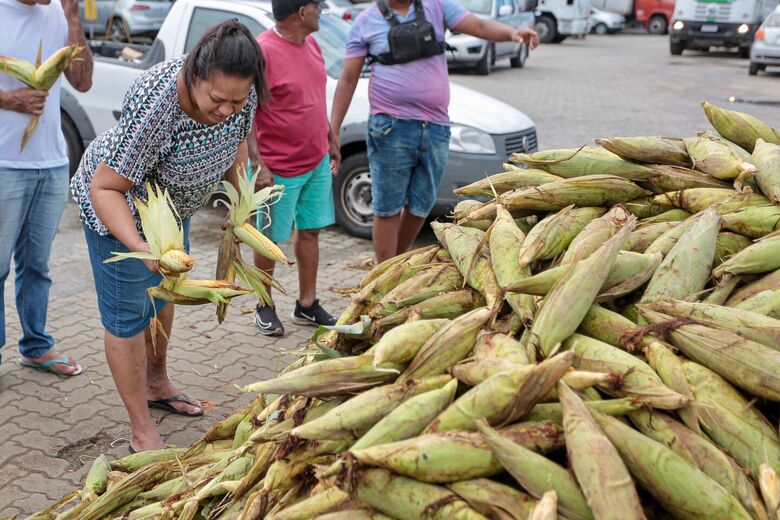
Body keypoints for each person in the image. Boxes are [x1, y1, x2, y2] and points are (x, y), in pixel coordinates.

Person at [70, 21, 269, 452]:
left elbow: (236, 142)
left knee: (163, 297)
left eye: (237, 101)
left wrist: (238, 206)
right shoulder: (157, 102)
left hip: (169, 209)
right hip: (117, 207)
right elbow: (104, 187)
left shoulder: (241, 96)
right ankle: (141, 429)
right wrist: (139, 248)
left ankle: (157, 383)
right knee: (127, 318)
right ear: (196, 74)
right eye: (217, 99)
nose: (227, 109)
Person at [331, 0, 539, 263]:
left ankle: (396, 262)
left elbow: (479, 25)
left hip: (436, 128)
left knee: (421, 205)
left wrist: (512, 33)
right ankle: (383, 276)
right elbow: (348, 78)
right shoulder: (365, 22)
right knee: (387, 208)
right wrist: (334, 130)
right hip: (390, 128)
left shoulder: (435, 6)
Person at [0, 0, 93, 375]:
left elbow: (82, 81)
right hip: (4, 164)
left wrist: (73, 18)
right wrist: (10, 99)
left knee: (37, 265)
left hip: (52, 163)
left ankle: (36, 346)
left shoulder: (59, 12)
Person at [248, 0, 340, 336]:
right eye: (318, 6)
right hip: (279, 167)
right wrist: (259, 163)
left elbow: (316, 98)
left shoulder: (312, 45)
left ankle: (307, 304)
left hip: (315, 160)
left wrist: (330, 137)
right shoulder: (263, 52)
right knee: (269, 240)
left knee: (311, 231)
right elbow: (246, 114)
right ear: (302, 12)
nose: (321, 12)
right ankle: (263, 304)